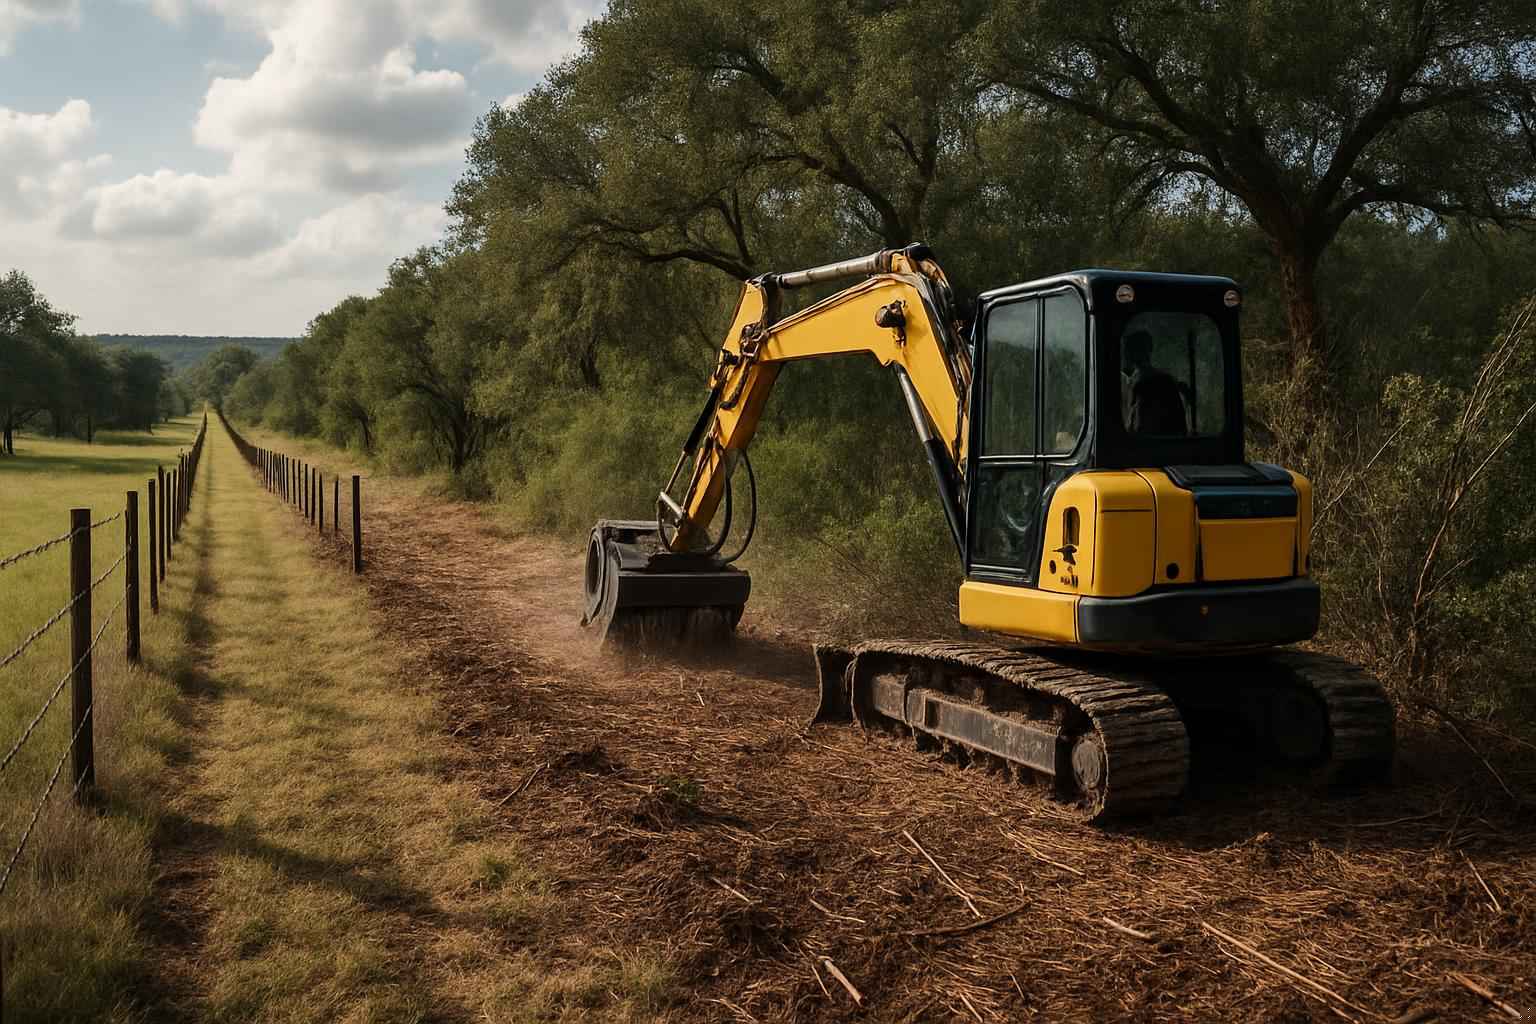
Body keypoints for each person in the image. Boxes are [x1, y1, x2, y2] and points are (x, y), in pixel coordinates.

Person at [1121, 329, 1188, 435]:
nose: (1125, 354)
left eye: (1135, 349)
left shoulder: (1160, 382)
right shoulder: (1132, 381)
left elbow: (1140, 428)